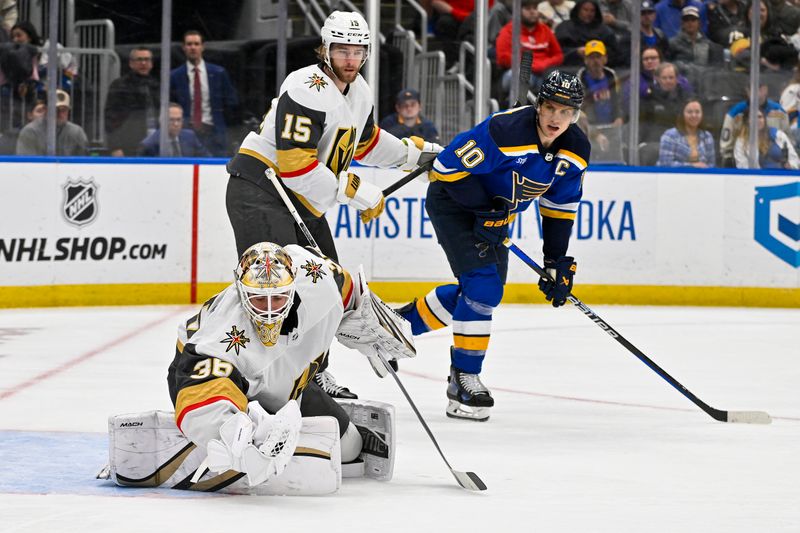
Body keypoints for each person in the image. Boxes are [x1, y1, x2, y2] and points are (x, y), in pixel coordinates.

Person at [225, 11, 442, 399]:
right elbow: (294, 164)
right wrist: (358, 191)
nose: (349, 59)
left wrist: (414, 156)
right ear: (324, 49)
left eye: (357, 51)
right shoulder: (305, 87)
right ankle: (264, 381)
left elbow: (366, 142)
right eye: (341, 49)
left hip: (301, 199)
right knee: (276, 290)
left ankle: (314, 375)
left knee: (324, 288)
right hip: (260, 191)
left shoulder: (359, 92)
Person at [397, 70, 589, 422]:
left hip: (495, 218)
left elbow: (559, 208)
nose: (555, 119)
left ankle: (396, 328)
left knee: (483, 294)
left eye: (565, 112)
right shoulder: (506, 131)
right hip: (454, 204)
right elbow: (446, 168)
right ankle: (463, 380)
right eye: (550, 108)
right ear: (539, 106)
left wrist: (555, 260)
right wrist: (486, 211)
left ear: (575, 115)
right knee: (483, 289)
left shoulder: (575, 151)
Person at [163, 241, 415, 491]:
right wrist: (233, 435)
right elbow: (200, 388)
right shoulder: (222, 336)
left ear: (293, 285)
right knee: (240, 441)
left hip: (285, 383)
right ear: (241, 291)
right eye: (259, 299)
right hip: (206, 377)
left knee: (350, 447)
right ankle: (220, 437)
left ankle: (264, 429)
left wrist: (368, 322)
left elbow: (347, 288)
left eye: (279, 298)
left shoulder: (319, 281)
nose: (270, 311)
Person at [170, 30, 239, 156]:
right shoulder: (175, 76)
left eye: (196, 44)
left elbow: (231, 102)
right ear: (184, 48)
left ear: (202, 47)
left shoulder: (218, 73)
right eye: (189, 44)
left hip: (214, 133)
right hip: (186, 133)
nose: (193, 47)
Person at [495, 0, 563, 95]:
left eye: (535, 8)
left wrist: (543, 64)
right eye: (527, 9)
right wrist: (529, 65)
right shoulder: (508, 30)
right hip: (518, 71)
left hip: (543, 72)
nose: (532, 12)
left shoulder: (545, 30)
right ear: (519, 11)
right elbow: (503, 58)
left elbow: (558, 55)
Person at [104, 47, 160, 157]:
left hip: (155, 143)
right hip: (129, 144)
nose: (143, 63)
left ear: (151, 63)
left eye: (147, 59)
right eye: (139, 59)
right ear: (131, 63)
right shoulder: (120, 85)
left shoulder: (156, 85)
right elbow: (111, 118)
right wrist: (115, 146)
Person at [719, 81, 790, 166]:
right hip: (742, 159)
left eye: (760, 87)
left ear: (766, 89)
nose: (757, 91)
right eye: (752, 88)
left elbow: (787, 139)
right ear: (747, 91)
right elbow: (726, 145)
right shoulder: (735, 113)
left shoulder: (779, 112)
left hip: (774, 162)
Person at [16, 88, 88, 155]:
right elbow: (27, 164)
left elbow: (85, 162)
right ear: (45, 109)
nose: (60, 114)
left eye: (64, 110)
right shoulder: (30, 131)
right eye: (56, 109)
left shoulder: (77, 132)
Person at [555, 0, 621, 67]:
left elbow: (614, 52)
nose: (589, 13)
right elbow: (557, 50)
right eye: (585, 10)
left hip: (599, 66)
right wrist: (576, 52)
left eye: (592, 11)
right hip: (570, 66)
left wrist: (596, 51)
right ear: (578, 10)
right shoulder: (565, 27)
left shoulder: (604, 30)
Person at [657, 98, 716, 167]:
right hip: (673, 176)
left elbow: (711, 165)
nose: (694, 115)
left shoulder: (707, 136)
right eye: (689, 112)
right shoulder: (670, 135)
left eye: (697, 112)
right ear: (682, 114)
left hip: (700, 176)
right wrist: (692, 166)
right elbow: (666, 164)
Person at [576, 39, 623, 128]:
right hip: (590, 130)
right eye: (591, 57)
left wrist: (619, 117)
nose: (595, 61)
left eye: (598, 56)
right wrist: (594, 132)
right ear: (585, 60)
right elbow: (579, 109)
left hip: (612, 127)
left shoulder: (612, 76)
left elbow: (619, 101)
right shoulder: (580, 80)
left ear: (605, 58)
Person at [734, 108, 799, 169]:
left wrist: (790, 165)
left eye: (760, 117)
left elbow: (795, 160)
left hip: (784, 176)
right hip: (757, 178)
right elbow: (741, 166)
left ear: (764, 119)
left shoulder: (779, 135)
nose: (757, 120)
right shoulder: (741, 141)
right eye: (753, 117)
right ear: (747, 121)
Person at [138, 102, 210, 157]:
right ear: (161, 121)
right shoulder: (149, 144)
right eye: (171, 120)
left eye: (179, 120)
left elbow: (208, 160)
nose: (176, 124)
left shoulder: (190, 136)